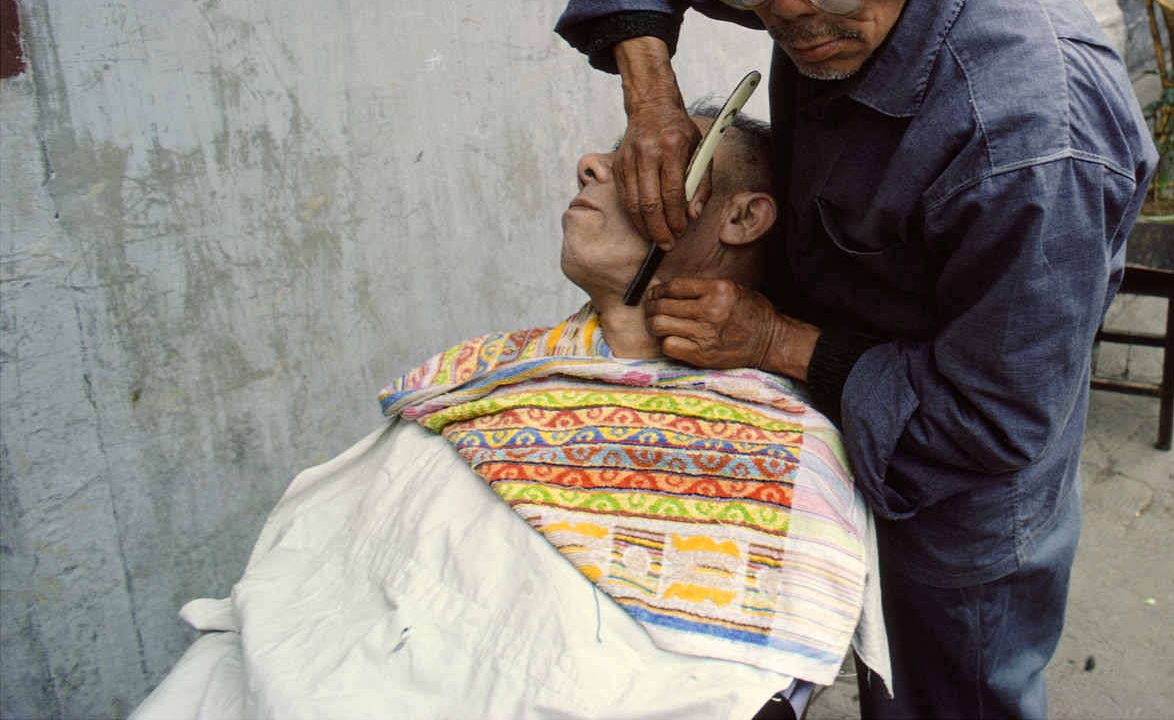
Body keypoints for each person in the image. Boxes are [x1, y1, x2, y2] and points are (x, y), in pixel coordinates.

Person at [554, 0, 1154, 718]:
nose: (787, 8)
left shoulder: (1030, 141)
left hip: (959, 490)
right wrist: (650, 98)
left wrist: (777, 339)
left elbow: (990, 417)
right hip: (838, 407)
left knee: (941, 691)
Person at [132, 114, 885, 720]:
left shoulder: (778, 449)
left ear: (742, 217)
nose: (590, 164)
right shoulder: (482, 376)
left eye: (644, 162)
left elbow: (717, 691)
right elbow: (332, 583)